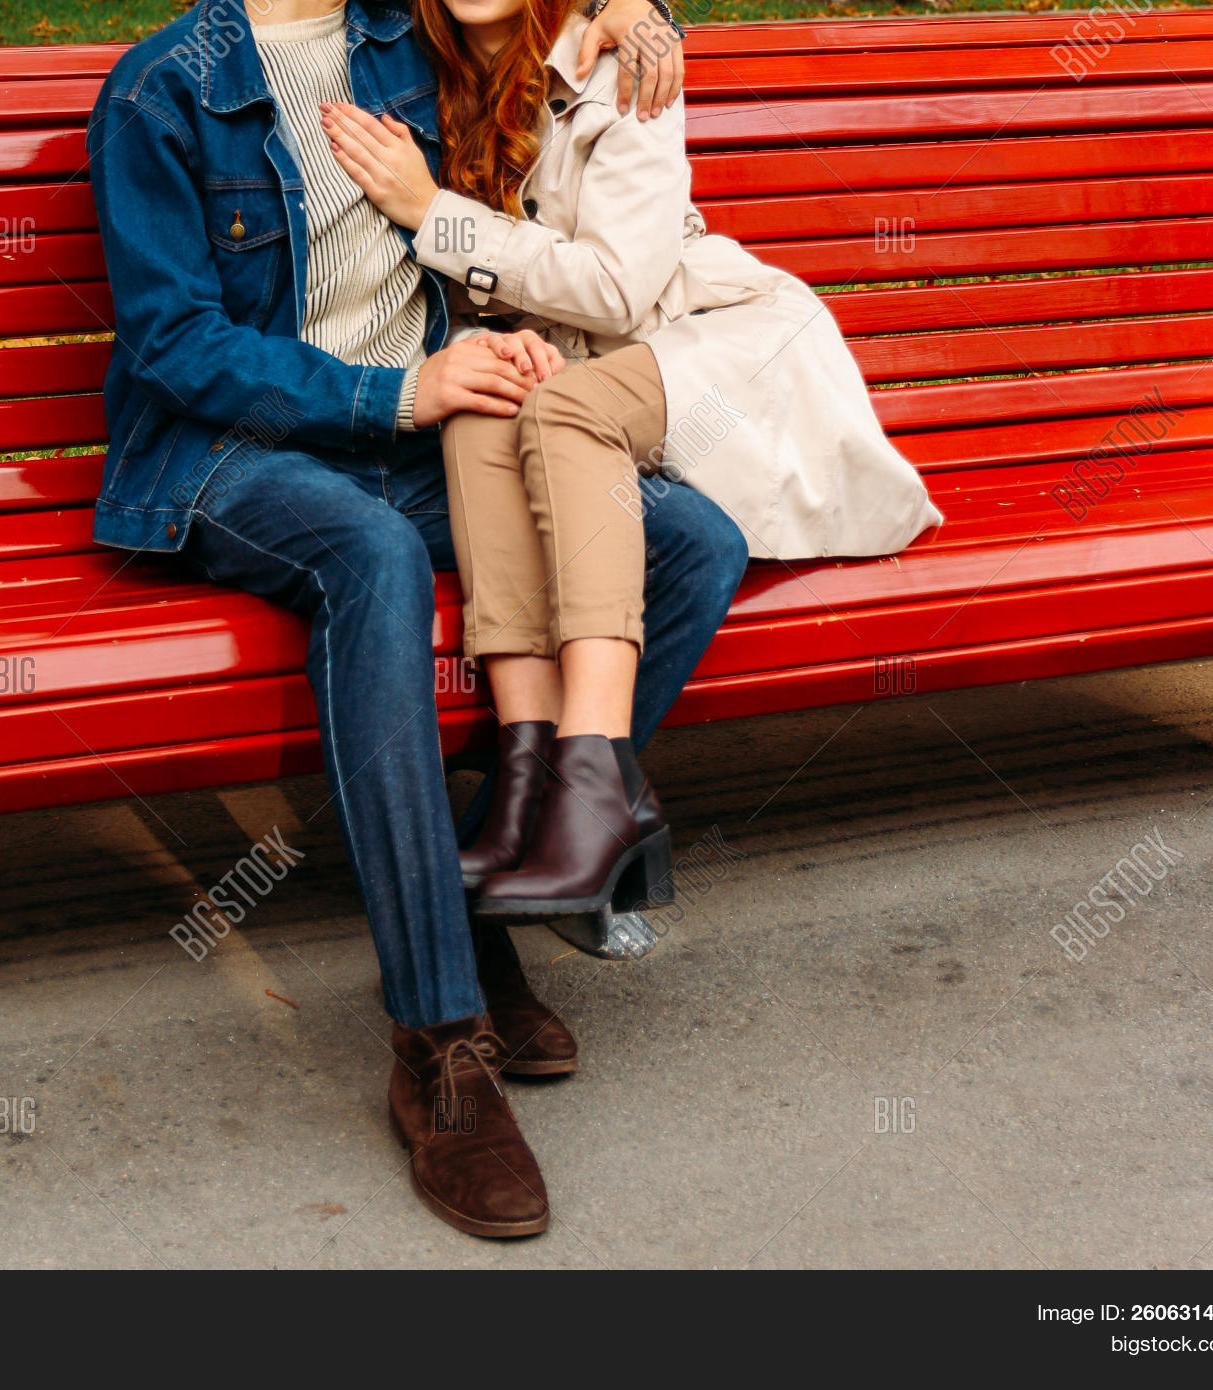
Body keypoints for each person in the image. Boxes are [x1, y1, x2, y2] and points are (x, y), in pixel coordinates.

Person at [86, 0, 749, 1240]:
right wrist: (394, 392)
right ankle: (442, 1039)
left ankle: (493, 877)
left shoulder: (412, 43)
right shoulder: (161, 91)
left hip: (427, 433)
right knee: (376, 561)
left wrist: (626, 8)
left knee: (693, 542)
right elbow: (174, 345)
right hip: (237, 456)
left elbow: (537, 51)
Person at [322, 0, 943, 920]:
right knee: (484, 412)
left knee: (564, 415)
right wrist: (506, 341)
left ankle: (597, 785)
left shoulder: (622, 64)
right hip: (581, 363)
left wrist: (432, 214)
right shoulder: (409, 73)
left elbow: (618, 288)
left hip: (714, 349)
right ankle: (526, 789)